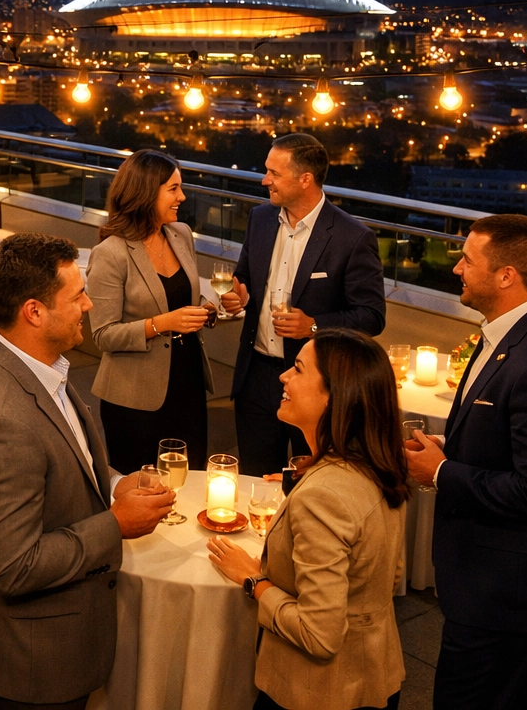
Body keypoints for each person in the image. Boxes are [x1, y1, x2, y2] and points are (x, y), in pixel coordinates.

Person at [0, 233, 176, 710]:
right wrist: (116, 523)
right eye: (78, 295)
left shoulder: (6, 358)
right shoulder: (4, 420)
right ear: (34, 311)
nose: (89, 305)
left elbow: (58, 451)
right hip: (30, 664)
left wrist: (112, 482)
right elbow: (12, 566)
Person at [402, 215, 527, 710]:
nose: (457, 268)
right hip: (489, 579)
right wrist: (449, 441)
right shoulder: (505, 337)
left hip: (503, 588)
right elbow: (506, 436)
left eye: (468, 259)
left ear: (506, 275)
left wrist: (441, 472)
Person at [207, 329, 409, 710]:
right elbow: (390, 574)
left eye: (298, 369)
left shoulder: (323, 496)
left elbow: (319, 635)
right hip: (374, 674)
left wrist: (254, 579)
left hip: (317, 692)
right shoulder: (380, 464)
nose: (283, 376)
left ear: (336, 396)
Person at [221, 133, 386, 475]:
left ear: (305, 179)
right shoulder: (261, 219)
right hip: (256, 376)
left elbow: (371, 316)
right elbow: (244, 277)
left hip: (314, 385)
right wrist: (239, 297)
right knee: (253, 478)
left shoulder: (352, 238)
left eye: (274, 173)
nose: (265, 180)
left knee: (306, 478)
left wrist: (313, 326)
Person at [86, 149, 214, 472]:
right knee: (143, 488)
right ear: (145, 193)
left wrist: (208, 311)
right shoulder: (110, 253)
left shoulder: (181, 234)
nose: (182, 197)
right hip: (134, 395)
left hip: (188, 382)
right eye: (173, 189)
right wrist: (160, 324)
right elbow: (103, 335)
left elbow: (181, 301)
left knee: (191, 476)